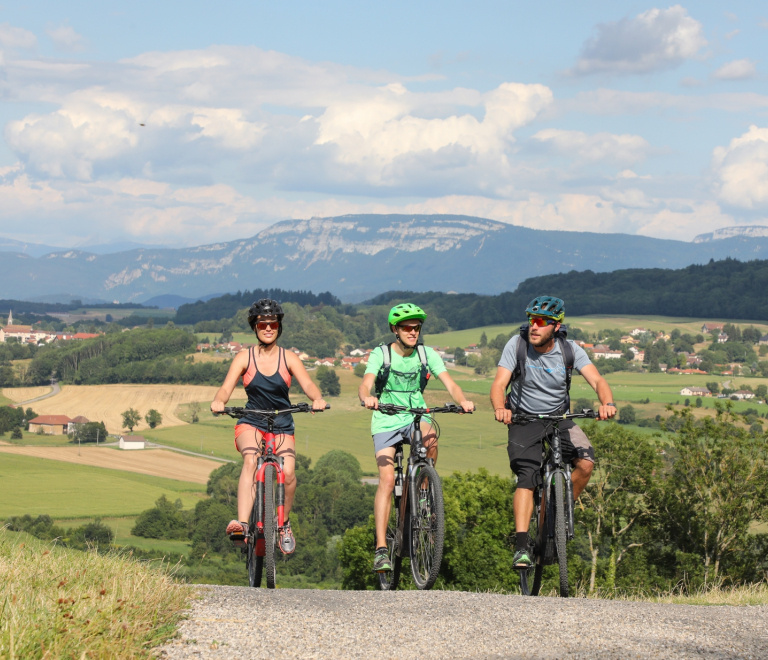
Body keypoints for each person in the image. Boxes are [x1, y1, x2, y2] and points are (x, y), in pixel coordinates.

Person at [489, 295, 616, 568]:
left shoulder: (570, 350)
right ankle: (522, 547)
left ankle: (559, 513)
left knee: (586, 460)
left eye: (541, 322)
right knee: (527, 476)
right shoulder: (517, 344)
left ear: (556, 327)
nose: (533, 327)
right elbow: (499, 384)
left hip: (560, 418)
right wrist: (501, 408)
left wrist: (608, 403)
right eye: (531, 320)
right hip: (523, 419)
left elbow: (597, 379)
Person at [359, 303, 474, 572]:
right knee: (387, 481)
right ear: (395, 330)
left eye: (417, 327)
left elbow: (451, 383)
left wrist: (463, 400)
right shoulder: (382, 354)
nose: (413, 332)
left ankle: (423, 490)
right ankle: (381, 549)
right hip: (386, 417)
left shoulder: (426, 354)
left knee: (431, 437)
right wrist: (367, 397)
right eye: (407, 328)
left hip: (415, 415)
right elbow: (366, 382)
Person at [211, 298, 326, 554]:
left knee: (289, 473)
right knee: (251, 459)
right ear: (255, 326)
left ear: (279, 326)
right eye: (262, 324)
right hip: (251, 421)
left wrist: (316, 399)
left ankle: (283, 524)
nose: (268, 328)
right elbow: (226, 387)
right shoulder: (245, 357)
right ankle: (242, 524)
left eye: (273, 323)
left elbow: (307, 384)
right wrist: (219, 401)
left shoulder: (289, 358)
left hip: (282, 423)